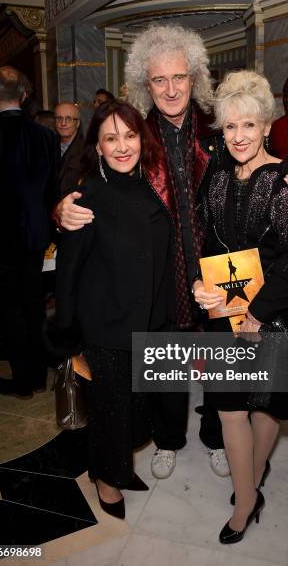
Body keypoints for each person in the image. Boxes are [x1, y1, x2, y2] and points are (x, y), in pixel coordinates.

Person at [55, 24, 288, 481]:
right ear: (146, 84)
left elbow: (270, 158)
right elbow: (98, 176)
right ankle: (169, 438)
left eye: (179, 77)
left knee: (224, 359)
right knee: (167, 360)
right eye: (159, 80)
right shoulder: (139, 132)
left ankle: (217, 435)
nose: (171, 88)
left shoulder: (217, 124)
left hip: (222, 266)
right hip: (160, 270)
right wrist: (60, 209)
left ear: (194, 77)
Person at [193, 70, 288, 544]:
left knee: (267, 410)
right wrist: (200, 287)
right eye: (230, 127)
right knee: (228, 409)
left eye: (248, 125)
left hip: (276, 317)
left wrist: (259, 314)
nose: (239, 136)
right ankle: (246, 500)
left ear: (267, 125)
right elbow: (207, 242)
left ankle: (253, 483)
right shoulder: (218, 177)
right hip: (228, 314)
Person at [55, 100, 174, 519]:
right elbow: (66, 274)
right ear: (98, 147)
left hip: (150, 325)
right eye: (111, 138)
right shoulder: (87, 197)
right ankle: (106, 478)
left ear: (142, 138)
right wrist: (68, 337)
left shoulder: (148, 186)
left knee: (137, 409)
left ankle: (119, 466)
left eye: (129, 135)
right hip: (105, 328)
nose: (122, 146)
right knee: (111, 412)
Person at [0, 66, 59, 398]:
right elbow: (51, 192)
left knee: (9, 310)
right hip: (34, 237)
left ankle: (24, 380)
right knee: (32, 305)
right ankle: (38, 375)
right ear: (24, 96)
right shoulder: (47, 136)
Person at [55, 102, 84, 196]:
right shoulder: (47, 146)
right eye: (59, 119)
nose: (63, 123)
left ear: (78, 123)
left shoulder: (86, 150)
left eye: (69, 119)